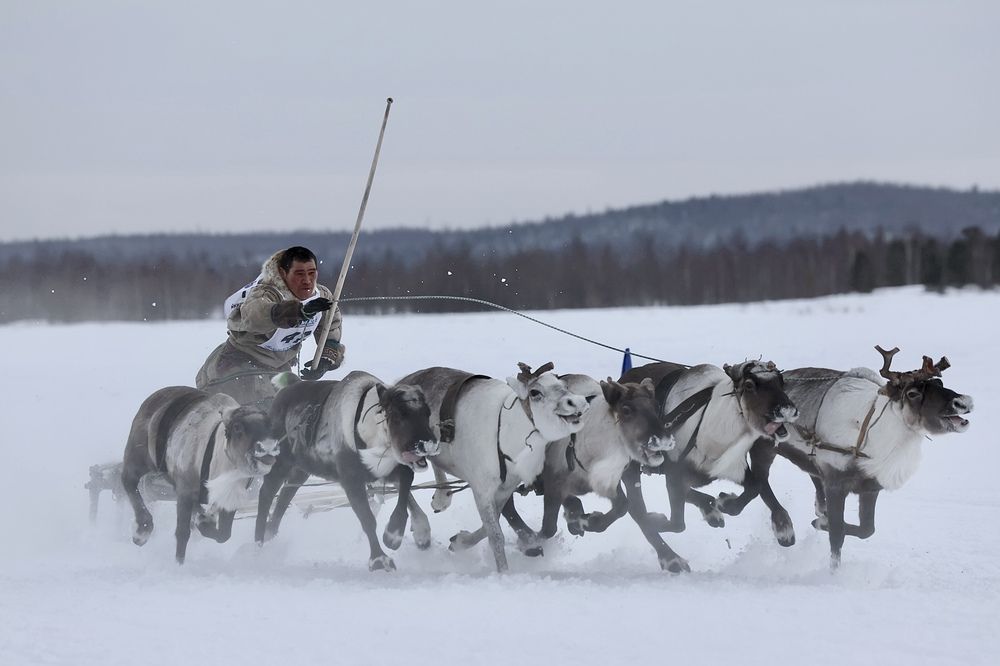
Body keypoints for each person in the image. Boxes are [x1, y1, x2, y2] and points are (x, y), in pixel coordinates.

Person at [195, 246, 346, 405]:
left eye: (312, 273)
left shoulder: (322, 297)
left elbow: (331, 329)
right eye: (299, 274)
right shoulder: (266, 292)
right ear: (283, 273)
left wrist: (326, 359)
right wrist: (294, 312)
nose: (307, 280)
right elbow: (255, 314)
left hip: (279, 368)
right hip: (239, 364)